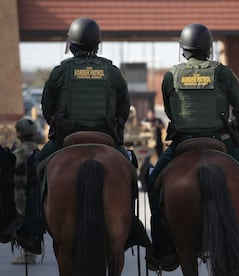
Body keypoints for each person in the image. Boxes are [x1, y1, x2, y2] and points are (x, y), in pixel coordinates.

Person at [18, 17, 149, 254]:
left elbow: (46, 107)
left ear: (72, 45)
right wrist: (115, 131)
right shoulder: (112, 72)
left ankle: (32, 230)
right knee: (129, 170)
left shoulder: (60, 72)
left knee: (36, 168)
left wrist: (58, 125)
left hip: (65, 139)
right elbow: (124, 108)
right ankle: (132, 226)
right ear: (97, 44)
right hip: (106, 140)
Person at [146, 23, 239, 270]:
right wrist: (236, 140)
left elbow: (170, 112)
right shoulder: (223, 73)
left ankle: (161, 246)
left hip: (182, 143)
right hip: (221, 143)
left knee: (153, 181)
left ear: (184, 50)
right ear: (209, 49)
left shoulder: (171, 76)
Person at [10, 117, 39, 264]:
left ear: (20, 133)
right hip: (35, 192)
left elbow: (12, 167)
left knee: (23, 222)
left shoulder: (21, 151)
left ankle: (28, 255)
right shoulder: (37, 149)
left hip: (21, 191)